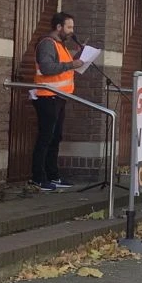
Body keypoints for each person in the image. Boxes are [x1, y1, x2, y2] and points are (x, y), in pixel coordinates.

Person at [31, 11, 84, 192]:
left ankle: (53, 175)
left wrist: (77, 58)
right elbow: (47, 68)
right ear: (58, 27)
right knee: (45, 138)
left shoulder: (61, 45)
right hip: (47, 96)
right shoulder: (47, 43)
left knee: (55, 137)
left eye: (72, 27)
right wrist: (71, 64)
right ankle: (38, 177)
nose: (71, 31)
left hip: (60, 97)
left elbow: (62, 67)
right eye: (69, 27)